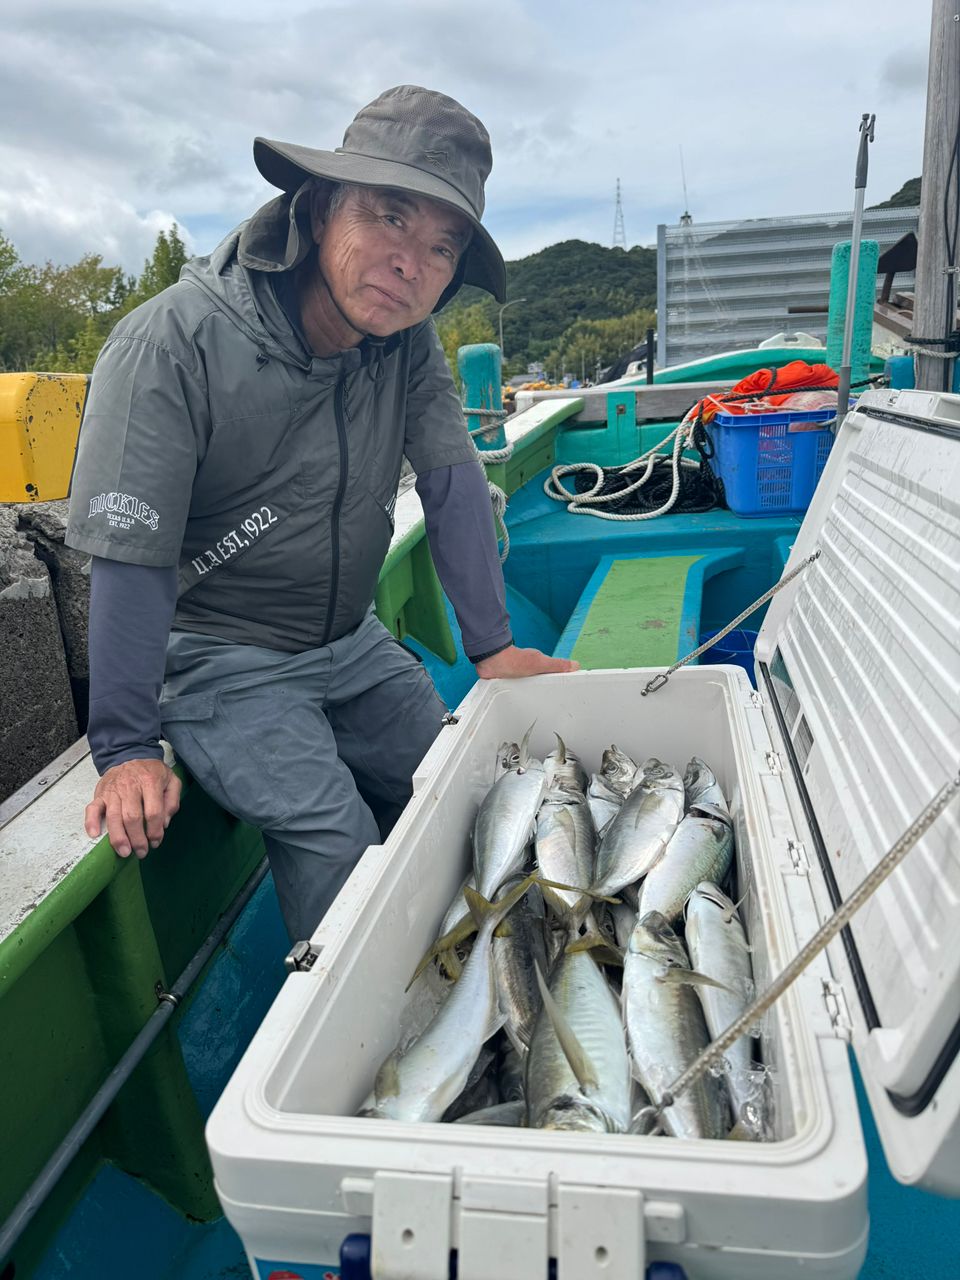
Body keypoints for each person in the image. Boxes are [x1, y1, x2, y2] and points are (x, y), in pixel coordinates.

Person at [65, 85, 576, 942]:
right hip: (219, 654)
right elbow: (131, 550)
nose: (411, 263)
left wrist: (492, 646)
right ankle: (352, 1015)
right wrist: (125, 748)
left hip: (349, 638)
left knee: (467, 786)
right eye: (389, 217)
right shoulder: (172, 344)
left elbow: (450, 476)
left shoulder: (404, 343)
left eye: (441, 246)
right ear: (319, 206)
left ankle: (482, 961)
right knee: (337, 840)